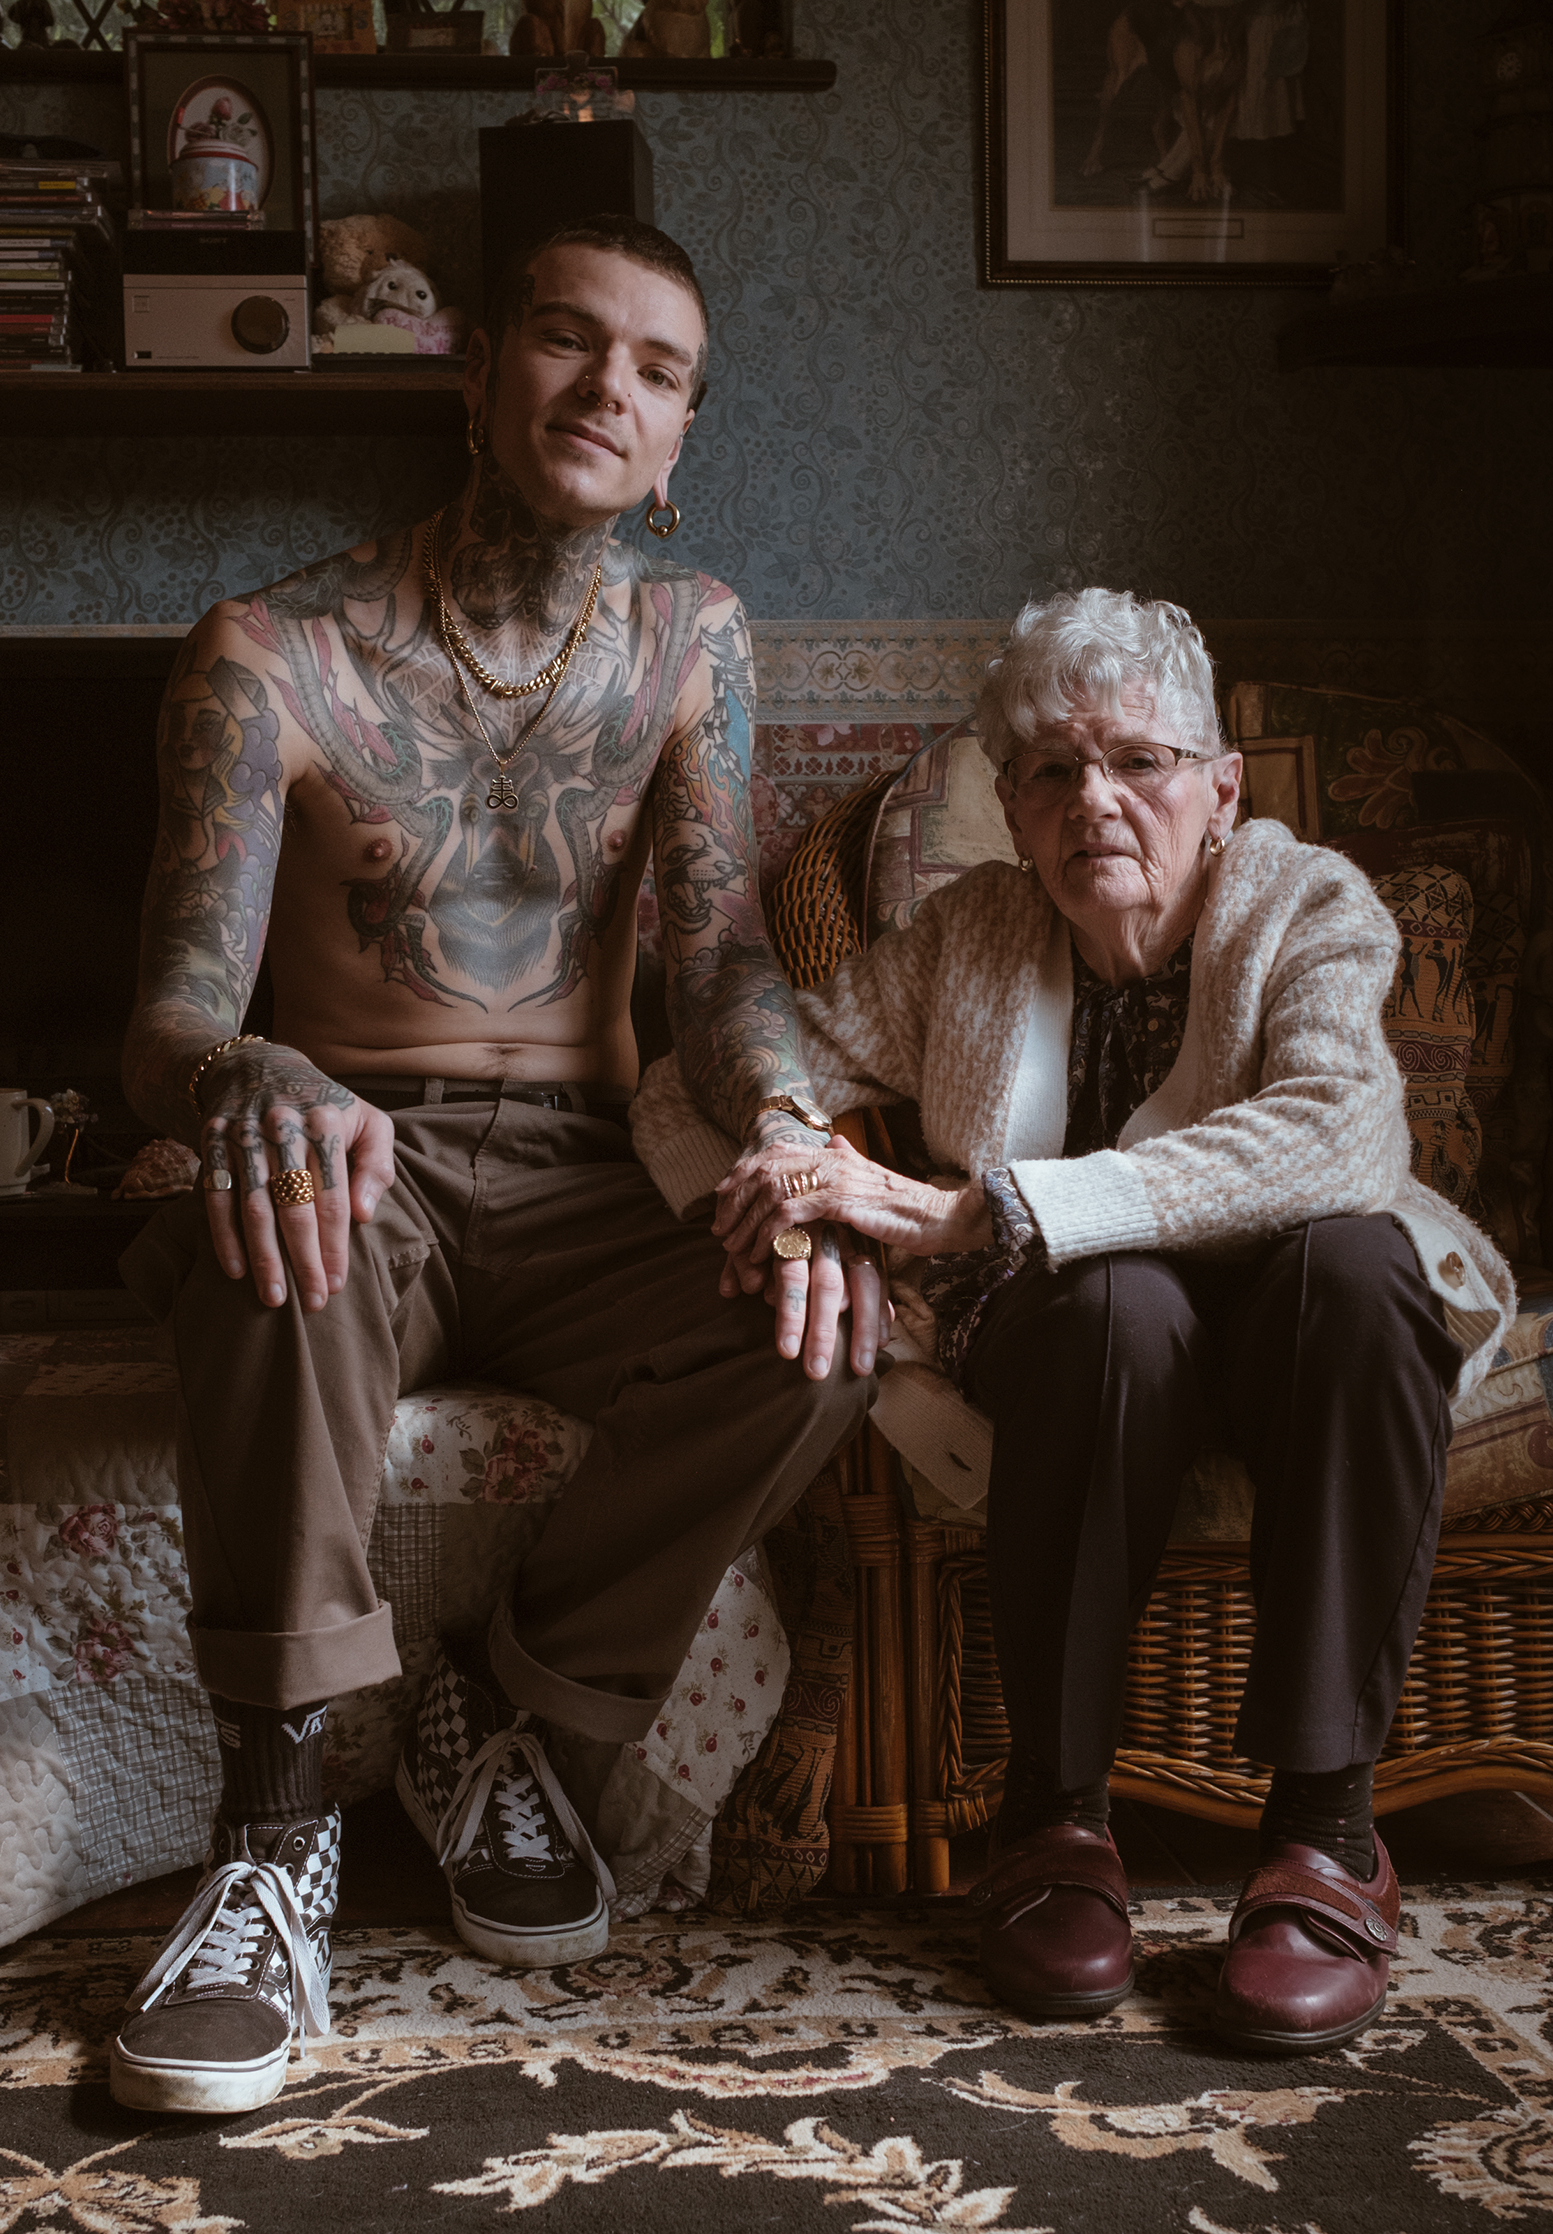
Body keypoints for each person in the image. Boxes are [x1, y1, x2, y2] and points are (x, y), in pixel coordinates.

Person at [109, 214, 876, 2117]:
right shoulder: (271, 652)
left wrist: (793, 1133)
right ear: (478, 371)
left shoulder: (694, 642)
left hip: (592, 1172)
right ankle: (272, 1840)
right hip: (359, 1154)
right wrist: (252, 1076)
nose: (609, 386)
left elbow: (719, 956)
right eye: (566, 338)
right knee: (268, 1231)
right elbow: (170, 1018)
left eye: (658, 369)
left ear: (681, 435)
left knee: (826, 1322)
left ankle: (508, 1704)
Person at [639, 587, 1515, 2055]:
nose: (1094, 800)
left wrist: (981, 1210)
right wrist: (802, 1202)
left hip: (1302, 1329)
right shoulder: (970, 936)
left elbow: (1342, 1135)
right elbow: (690, 1091)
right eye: (1051, 769)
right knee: (1114, 1303)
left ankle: (1325, 1832)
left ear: (1222, 790)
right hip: (1087, 1352)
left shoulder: (1309, 903)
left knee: (1365, 1274)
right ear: (1014, 806)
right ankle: (1055, 1821)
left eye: (1140, 762)